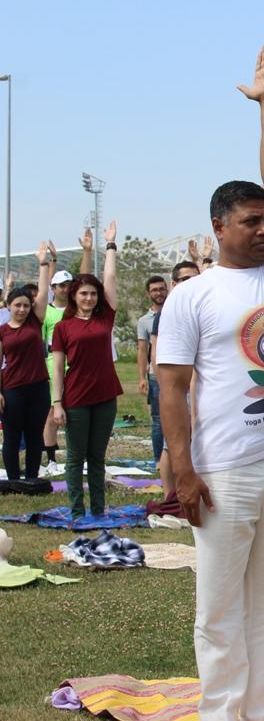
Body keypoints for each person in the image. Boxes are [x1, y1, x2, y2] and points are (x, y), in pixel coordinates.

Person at [156, 46, 264, 721]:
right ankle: (221, 714)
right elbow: (170, 387)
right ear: (218, 229)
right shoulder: (192, 297)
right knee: (220, 597)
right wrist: (182, 467)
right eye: (249, 222)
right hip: (224, 465)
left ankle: (261, 707)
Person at [50, 222, 121, 517]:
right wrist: (57, 403)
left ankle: (99, 510)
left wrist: (110, 247)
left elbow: (110, 278)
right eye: (84, 294)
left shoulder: (105, 320)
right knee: (76, 458)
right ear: (74, 296)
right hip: (76, 399)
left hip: (106, 397)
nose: (89, 298)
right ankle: (77, 511)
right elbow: (56, 369)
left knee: (97, 457)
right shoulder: (62, 327)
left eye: (93, 294)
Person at [0, 241, 53, 480]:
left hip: (39, 387)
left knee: (34, 435)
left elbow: (43, 293)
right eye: (17, 306)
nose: (22, 309)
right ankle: (13, 479)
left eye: (25, 305)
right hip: (12, 389)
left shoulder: (35, 322)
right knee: (11, 436)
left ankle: (31, 477)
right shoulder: (2, 330)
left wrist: (43, 264)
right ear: (8, 306)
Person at [41, 230, 91, 473]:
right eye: (61, 285)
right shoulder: (48, 313)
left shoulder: (75, 309)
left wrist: (87, 252)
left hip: (79, 366)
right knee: (53, 412)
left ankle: (78, 455)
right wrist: (52, 261)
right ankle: (50, 459)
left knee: (78, 414)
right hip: (54, 366)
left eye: (68, 285)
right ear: (54, 288)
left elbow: (85, 277)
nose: (65, 288)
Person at [153, 260, 203, 497]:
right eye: (186, 280)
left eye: (196, 278)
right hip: (178, 386)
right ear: (174, 284)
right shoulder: (168, 313)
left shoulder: (206, 307)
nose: (192, 284)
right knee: (171, 442)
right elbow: (157, 355)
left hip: (202, 386)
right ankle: (169, 495)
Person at [137, 275, 169, 463]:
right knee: (158, 419)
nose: (159, 293)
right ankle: (159, 460)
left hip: (180, 371)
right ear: (148, 293)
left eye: (161, 289)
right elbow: (142, 350)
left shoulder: (177, 312)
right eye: (155, 290)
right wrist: (142, 377)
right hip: (155, 375)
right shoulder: (144, 321)